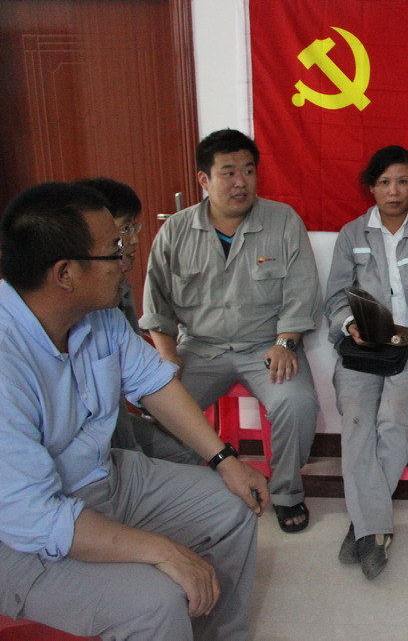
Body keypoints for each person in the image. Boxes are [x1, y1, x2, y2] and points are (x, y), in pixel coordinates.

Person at [0, 182, 268, 640]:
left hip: (104, 477)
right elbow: (37, 517)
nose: (126, 260)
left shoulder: (96, 313)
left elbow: (153, 383)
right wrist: (163, 551)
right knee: (155, 602)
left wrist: (225, 460)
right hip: (22, 536)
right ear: (65, 273)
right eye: (114, 249)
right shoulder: (7, 357)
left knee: (233, 504)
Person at [141, 129, 320, 533]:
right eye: (228, 173)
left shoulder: (282, 221)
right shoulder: (175, 231)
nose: (241, 182)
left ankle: (287, 493)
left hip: (266, 347)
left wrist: (286, 342)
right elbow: (157, 308)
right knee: (158, 417)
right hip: (200, 349)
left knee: (297, 403)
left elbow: (302, 291)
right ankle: (202, 485)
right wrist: (168, 359)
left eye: (249, 171)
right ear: (204, 179)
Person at [325, 145, 408, 579]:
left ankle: (363, 527)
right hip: (365, 349)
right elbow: (334, 297)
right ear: (372, 188)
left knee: (392, 418)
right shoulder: (353, 234)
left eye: (403, 182)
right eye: (384, 182)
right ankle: (374, 528)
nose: (394, 191)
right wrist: (350, 325)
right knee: (357, 422)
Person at [75, 177, 202, 465]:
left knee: (187, 449)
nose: (133, 240)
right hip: (88, 438)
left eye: (135, 228)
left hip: (119, 418)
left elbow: (139, 372)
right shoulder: (77, 303)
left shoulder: (119, 289)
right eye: (125, 229)